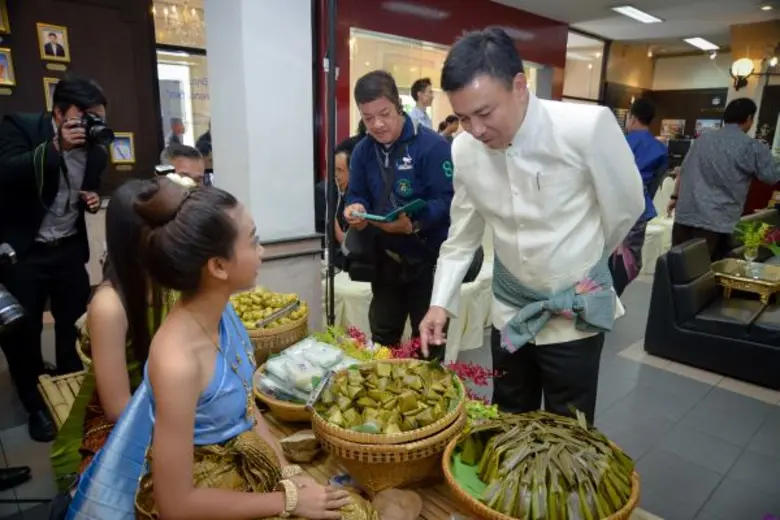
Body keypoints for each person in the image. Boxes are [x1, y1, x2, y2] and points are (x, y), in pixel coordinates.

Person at [67, 178, 377, 519]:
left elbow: (247, 407)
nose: (262, 251)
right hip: (208, 493)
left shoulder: (222, 313)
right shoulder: (177, 361)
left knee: (352, 509)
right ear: (217, 266)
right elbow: (175, 505)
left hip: (246, 468)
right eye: (254, 241)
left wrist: (291, 474)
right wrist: (289, 501)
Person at [418, 28, 644, 425]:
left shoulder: (585, 128)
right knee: (508, 415)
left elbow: (625, 210)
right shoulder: (465, 149)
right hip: (509, 312)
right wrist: (441, 301)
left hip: (574, 317)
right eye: (463, 117)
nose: (476, 129)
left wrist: (581, 266)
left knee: (569, 427)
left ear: (519, 86)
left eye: (485, 113)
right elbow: (461, 237)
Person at [0, 76, 108, 442]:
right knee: (24, 334)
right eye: (83, 118)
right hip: (25, 252)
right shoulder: (20, 128)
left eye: (98, 118)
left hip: (68, 249)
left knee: (74, 326)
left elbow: (88, 185)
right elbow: (6, 174)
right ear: (58, 113)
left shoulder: (96, 150)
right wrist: (55, 148)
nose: (91, 126)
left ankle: (70, 388)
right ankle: (34, 405)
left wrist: (91, 197)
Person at [49, 179, 172, 491]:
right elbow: (118, 408)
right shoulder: (109, 305)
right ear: (134, 238)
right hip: (127, 417)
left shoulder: (168, 278)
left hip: (168, 401)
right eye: (164, 228)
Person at [343, 70, 453, 353]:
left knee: (428, 341)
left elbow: (446, 199)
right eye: (368, 118)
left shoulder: (432, 145)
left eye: (385, 114)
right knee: (383, 338)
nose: (377, 124)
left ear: (399, 106)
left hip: (427, 260)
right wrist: (355, 209)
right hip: (384, 261)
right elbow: (356, 193)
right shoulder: (363, 151)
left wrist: (414, 223)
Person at [669, 97, 780, 260]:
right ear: (749, 118)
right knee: (705, 274)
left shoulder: (702, 140)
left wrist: (674, 197)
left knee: (678, 269)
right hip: (716, 221)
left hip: (686, 214)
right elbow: (771, 177)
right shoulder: (752, 147)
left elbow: (684, 171)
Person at [610, 98, 668, 295]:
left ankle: (602, 297)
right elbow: (656, 183)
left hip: (612, 207)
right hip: (639, 207)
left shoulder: (619, 142)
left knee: (605, 255)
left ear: (632, 118)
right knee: (630, 257)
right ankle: (614, 296)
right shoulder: (660, 148)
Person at [315, 137, 361, 270]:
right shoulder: (323, 192)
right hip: (331, 255)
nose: (335, 175)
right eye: (333, 170)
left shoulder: (355, 194)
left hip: (350, 252)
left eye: (340, 170)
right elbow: (340, 237)